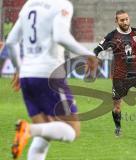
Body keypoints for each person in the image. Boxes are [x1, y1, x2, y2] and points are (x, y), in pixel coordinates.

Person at [6, 0, 97, 159]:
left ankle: (29, 131)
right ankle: (28, 130)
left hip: (27, 76)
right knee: (72, 130)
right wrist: (87, 54)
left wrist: (19, 69)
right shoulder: (61, 4)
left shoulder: (29, 5)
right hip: (49, 75)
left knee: (44, 133)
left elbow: (11, 42)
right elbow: (61, 36)